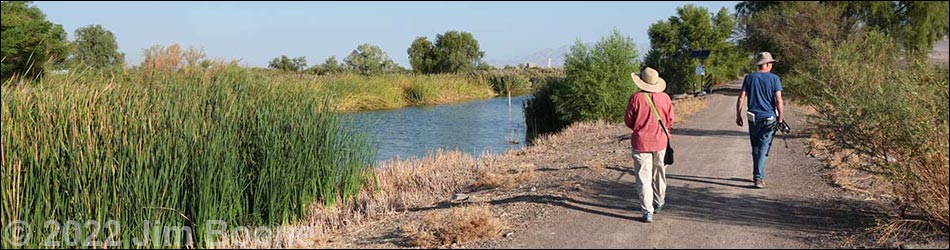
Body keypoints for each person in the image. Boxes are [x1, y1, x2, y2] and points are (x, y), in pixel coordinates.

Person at [624, 67, 674, 223]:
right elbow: (670, 119)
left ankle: (647, 211)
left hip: (641, 142)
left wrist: (640, 128)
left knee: (643, 177)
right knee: (659, 172)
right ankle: (659, 202)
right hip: (660, 141)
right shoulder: (665, 98)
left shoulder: (635, 98)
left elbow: (628, 120)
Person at [736, 52, 784, 189]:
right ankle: (759, 177)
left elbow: (741, 97)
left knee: (755, 147)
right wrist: (781, 117)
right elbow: (778, 100)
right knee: (764, 147)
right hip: (769, 117)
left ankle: (757, 174)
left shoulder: (749, 78)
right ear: (767, 64)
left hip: (753, 117)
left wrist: (738, 115)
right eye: (771, 64)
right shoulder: (775, 79)